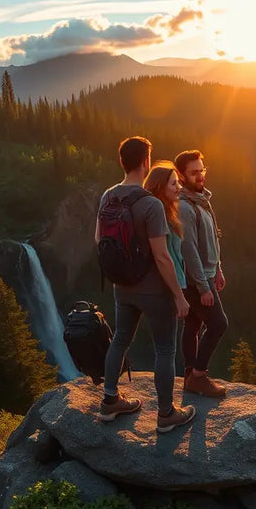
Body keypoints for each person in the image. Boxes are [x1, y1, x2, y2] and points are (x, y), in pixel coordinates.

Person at [96, 136, 196, 434]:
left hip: (121, 287)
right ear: (146, 163)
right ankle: (166, 414)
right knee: (164, 350)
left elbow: (99, 241)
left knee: (120, 339)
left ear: (121, 162)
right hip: (154, 292)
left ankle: (110, 400)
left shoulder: (108, 196)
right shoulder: (151, 204)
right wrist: (179, 296)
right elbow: (162, 257)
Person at [174, 149, 228, 398]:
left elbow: (212, 237)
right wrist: (203, 286)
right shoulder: (185, 207)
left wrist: (218, 269)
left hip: (206, 274)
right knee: (218, 324)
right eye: (194, 172)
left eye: (202, 170)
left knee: (193, 324)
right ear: (182, 176)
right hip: (196, 279)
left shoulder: (202, 200)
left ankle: (189, 373)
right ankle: (198, 375)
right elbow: (189, 249)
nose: (200, 176)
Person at [143, 162, 187, 293]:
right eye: (174, 184)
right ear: (160, 187)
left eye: (178, 182)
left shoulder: (169, 214)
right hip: (166, 289)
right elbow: (163, 257)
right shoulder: (158, 215)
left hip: (171, 286)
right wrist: (178, 295)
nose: (179, 187)